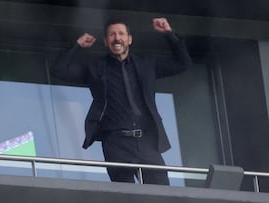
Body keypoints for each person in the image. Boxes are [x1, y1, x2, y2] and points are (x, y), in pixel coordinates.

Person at [50, 17, 192, 184]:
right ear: (105, 41)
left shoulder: (146, 63)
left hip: (147, 140)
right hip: (116, 142)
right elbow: (58, 70)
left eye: (121, 34)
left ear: (129, 39)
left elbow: (183, 64)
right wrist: (77, 45)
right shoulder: (96, 67)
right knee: (125, 195)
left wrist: (169, 33)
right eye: (112, 35)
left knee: (160, 193)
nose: (117, 38)